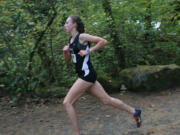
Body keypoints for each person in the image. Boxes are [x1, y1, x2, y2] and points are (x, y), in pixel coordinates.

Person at [62, 15, 142, 135]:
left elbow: (103, 41)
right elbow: (68, 60)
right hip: (85, 75)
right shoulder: (70, 40)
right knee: (106, 100)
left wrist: (88, 51)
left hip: (86, 75)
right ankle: (135, 111)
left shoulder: (82, 37)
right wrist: (66, 52)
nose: (65, 25)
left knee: (67, 102)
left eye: (67, 22)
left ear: (74, 24)